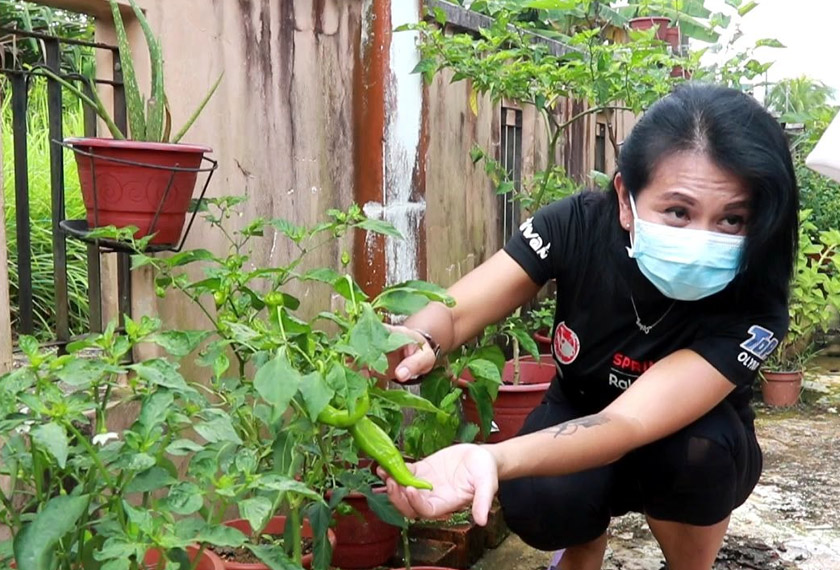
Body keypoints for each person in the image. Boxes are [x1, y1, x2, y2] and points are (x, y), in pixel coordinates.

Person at [381, 84, 799, 570]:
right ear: (625, 198)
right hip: (577, 405)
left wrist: (496, 458)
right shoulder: (575, 227)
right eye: (678, 212)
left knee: (697, 453)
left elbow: (628, 422)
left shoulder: (757, 301)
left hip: (684, 436)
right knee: (540, 494)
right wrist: (418, 338)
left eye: (732, 219)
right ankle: (583, 548)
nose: (702, 239)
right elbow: (454, 310)